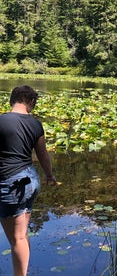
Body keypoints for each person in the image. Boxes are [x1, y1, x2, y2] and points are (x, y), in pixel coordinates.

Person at [0, 85, 57, 276]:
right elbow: (43, 155)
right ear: (31, 102)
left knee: (16, 238)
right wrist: (49, 175)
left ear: (11, 100)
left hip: (11, 183)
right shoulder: (35, 124)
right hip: (30, 180)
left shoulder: (1, 121)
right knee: (21, 234)